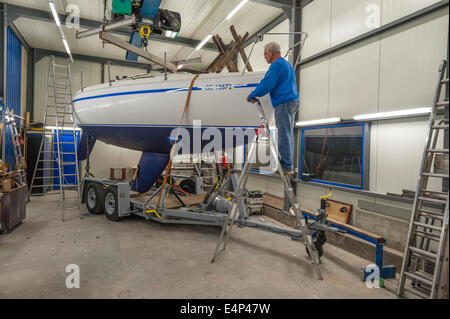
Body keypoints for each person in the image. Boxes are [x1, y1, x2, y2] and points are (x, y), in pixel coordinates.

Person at [247, 41, 299, 175]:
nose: (264, 57)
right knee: (287, 134)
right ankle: (288, 164)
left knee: (283, 134)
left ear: (271, 52)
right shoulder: (287, 64)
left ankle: (286, 166)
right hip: (292, 101)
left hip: (284, 102)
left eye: (265, 54)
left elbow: (267, 84)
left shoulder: (277, 65)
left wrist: (253, 94)